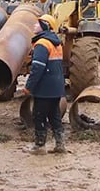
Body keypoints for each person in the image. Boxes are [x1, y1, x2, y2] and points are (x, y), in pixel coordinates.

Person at [23, 14, 66, 154]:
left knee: (39, 115)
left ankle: (40, 146)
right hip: (57, 86)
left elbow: (37, 68)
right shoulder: (56, 43)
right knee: (54, 115)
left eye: (37, 24)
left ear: (45, 26)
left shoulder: (42, 44)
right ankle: (60, 145)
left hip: (44, 88)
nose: (34, 26)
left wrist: (29, 87)